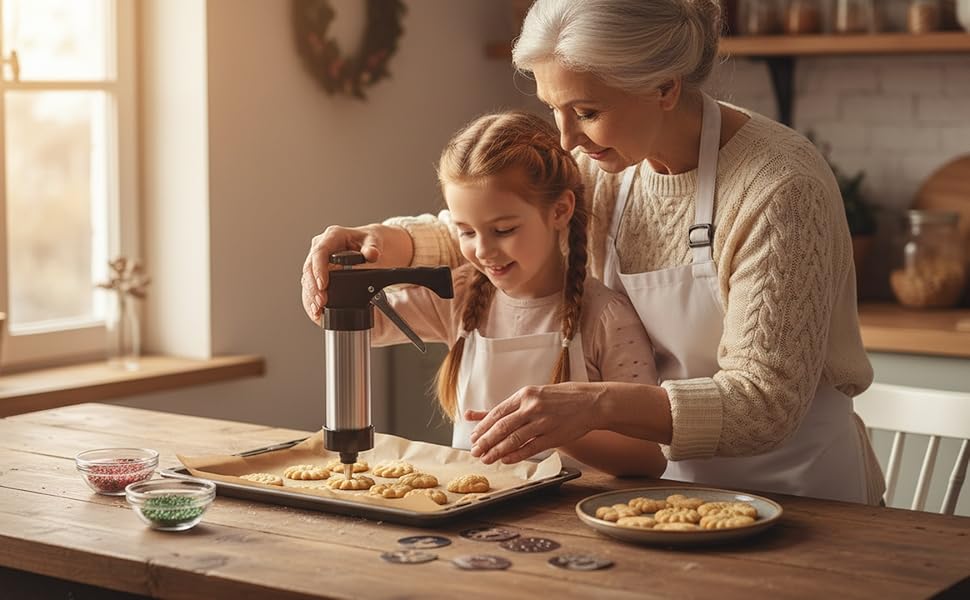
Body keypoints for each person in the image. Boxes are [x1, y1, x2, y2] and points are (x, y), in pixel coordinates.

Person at [301, 0, 885, 504]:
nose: (564, 140)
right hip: (651, 492)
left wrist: (593, 405)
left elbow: (763, 404)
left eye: (586, 112)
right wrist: (384, 241)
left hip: (797, 497)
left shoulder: (778, 186)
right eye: (554, 108)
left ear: (665, 87)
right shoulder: (606, 163)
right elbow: (501, 223)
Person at [365, 111, 666, 477]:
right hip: (471, 513)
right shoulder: (458, 297)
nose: (484, 251)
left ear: (560, 210)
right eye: (466, 232)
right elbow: (360, 322)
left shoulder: (607, 317)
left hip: (571, 521)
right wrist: (339, 268)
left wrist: (555, 431)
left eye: (503, 229)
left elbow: (647, 459)